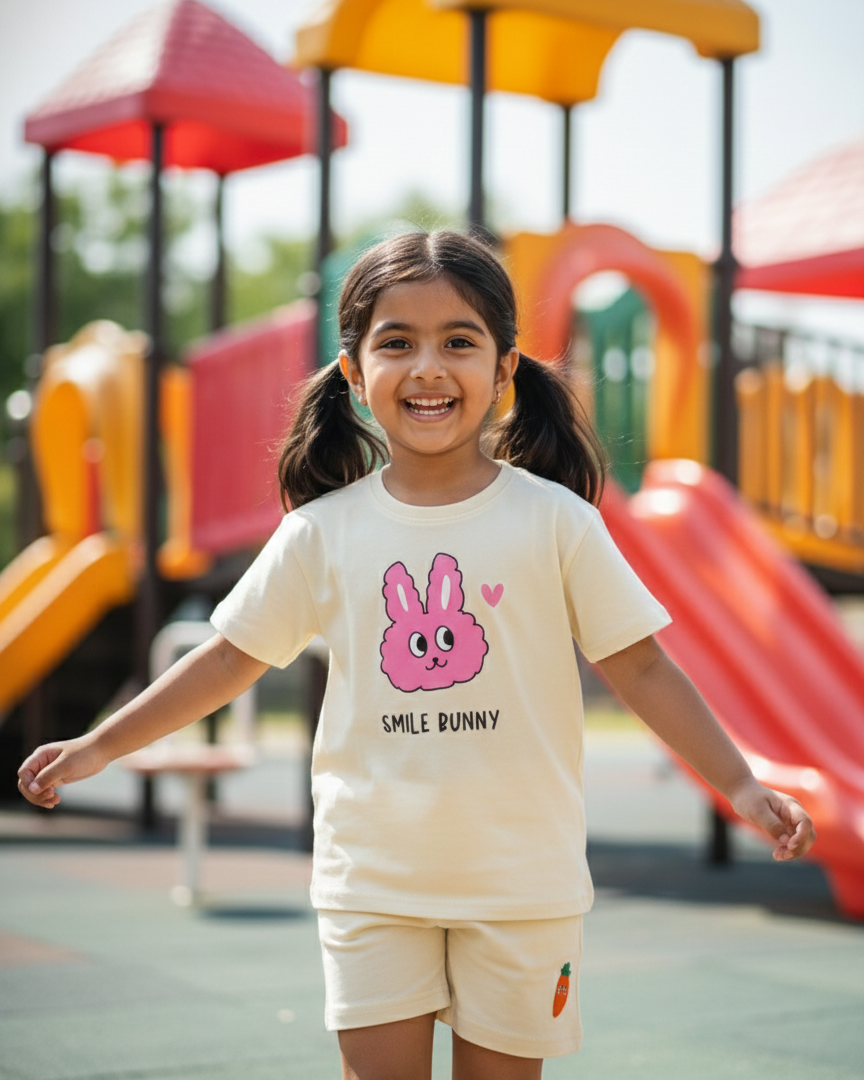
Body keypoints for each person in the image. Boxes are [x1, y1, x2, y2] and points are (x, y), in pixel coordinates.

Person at [19, 231, 815, 1080]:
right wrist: (101, 744)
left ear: (505, 370)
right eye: (396, 342)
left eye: (459, 342)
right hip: (373, 883)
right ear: (356, 373)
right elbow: (226, 660)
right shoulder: (320, 533)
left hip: (522, 885)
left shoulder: (556, 522)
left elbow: (643, 667)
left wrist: (736, 781)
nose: (428, 366)